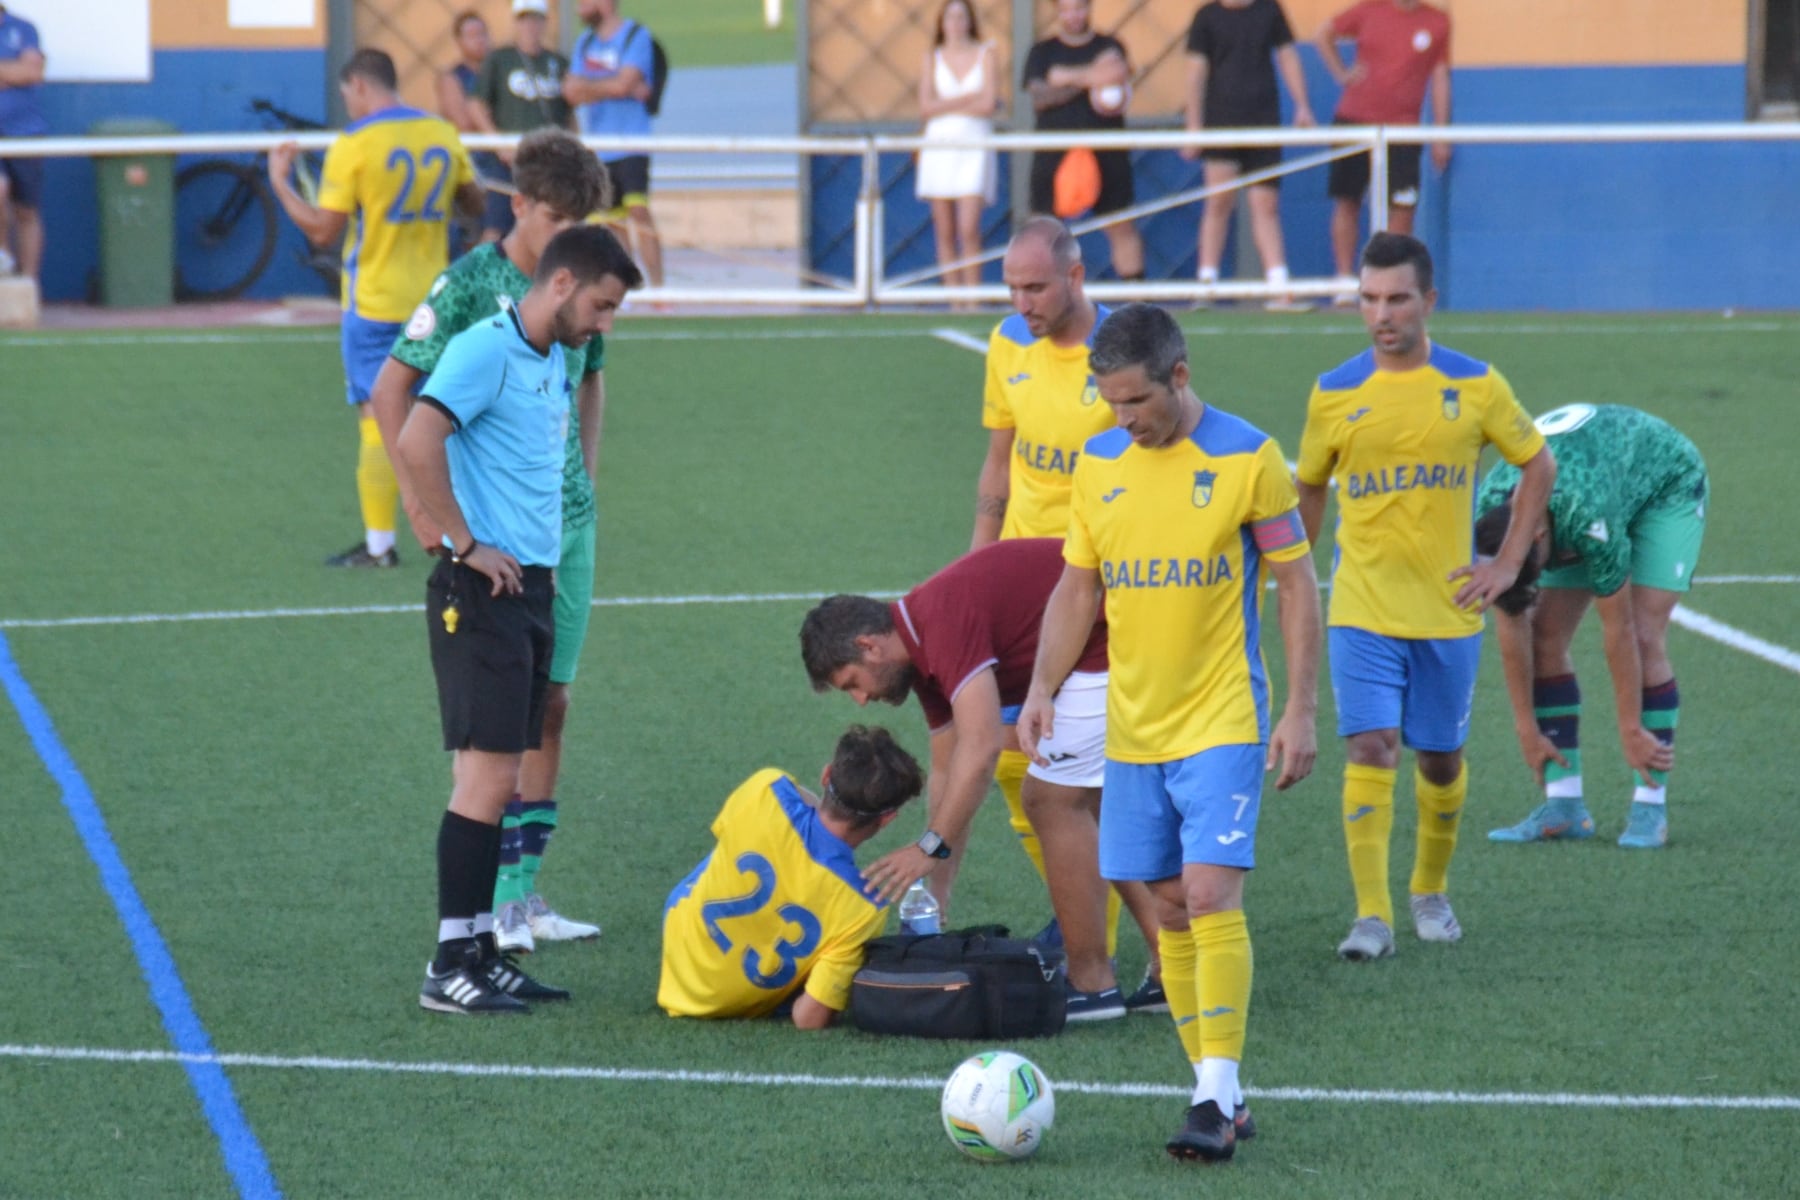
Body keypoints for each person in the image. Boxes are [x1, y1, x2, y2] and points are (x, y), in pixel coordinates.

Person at [1019, 302, 1321, 1162]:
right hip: (1133, 728)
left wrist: (1299, 708)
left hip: (1223, 715)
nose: (1124, 419)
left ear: (1179, 377)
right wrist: (1042, 687)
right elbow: (1079, 587)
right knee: (1172, 909)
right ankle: (1220, 1090)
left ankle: (1212, 1097)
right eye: (1110, 404)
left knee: (1213, 893)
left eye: (1135, 402)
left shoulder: (1248, 457)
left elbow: (1297, 585)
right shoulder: (1100, 462)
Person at [372, 130, 623, 954]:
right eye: (554, 215)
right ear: (519, 205)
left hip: (562, 534)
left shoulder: (583, 285)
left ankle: (519, 899)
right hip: (490, 541)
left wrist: (581, 478)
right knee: (491, 736)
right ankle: (472, 924)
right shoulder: (473, 288)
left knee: (552, 706)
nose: (565, 233)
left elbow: (590, 384)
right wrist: (426, 511)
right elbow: (394, 390)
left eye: (577, 219)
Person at [1295, 231, 1555, 963]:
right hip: (1362, 605)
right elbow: (1309, 486)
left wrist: (1506, 563)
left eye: (1398, 298)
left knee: (1440, 759)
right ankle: (1371, 915)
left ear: (1428, 301)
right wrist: (1287, 575)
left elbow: (1539, 464)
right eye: (1370, 299)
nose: (1383, 314)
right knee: (1372, 746)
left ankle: (1429, 890)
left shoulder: (1475, 385)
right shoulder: (1335, 391)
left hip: (1447, 609)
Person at [800, 539, 1156, 1021]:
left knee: (1050, 801)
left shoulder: (940, 617)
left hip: (1116, 635)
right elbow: (949, 771)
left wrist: (927, 848)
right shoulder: (921, 659)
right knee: (1088, 807)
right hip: (1097, 642)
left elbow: (983, 745)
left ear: (870, 646)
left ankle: (1092, 983)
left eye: (852, 683)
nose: (860, 700)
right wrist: (937, 893)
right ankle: (1173, 966)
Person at [972, 215, 1164, 1009]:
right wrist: (975, 567)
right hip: (1018, 591)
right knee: (1021, 764)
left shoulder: (1120, 358)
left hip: (1094, 592)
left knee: (1090, 784)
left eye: (1037, 286)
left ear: (1076, 276)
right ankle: (1076, 913)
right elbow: (1000, 464)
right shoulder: (1006, 346)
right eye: (1013, 286)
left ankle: (1139, 943)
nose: (1023, 301)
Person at [269, 49, 481, 569]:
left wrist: (280, 180)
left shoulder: (356, 144)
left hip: (375, 305)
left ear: (359, 87)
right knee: (443, 417)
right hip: (437, 300)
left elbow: (323, 229)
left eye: (346, 95)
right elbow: (474, 206)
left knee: (376, 422)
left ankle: (381, 545)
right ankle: (468, 528)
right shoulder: (441, 133)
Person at [1475, 404, 1702, 850]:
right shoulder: (1490, 514)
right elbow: (1512, 621)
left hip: (1663, 483)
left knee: (1643, 633)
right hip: (1584, 493)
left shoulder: (1586, 514)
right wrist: (1526, 728)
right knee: (1544, 635)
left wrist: (1630, 729)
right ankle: (1564, 806)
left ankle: (1649, 805)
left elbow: (1616, 632)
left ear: (1538, 539)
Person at [658, 725, 924, 1028]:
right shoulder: (866, 906)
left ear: (826, 776)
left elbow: (734, 827)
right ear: (887, 819)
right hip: (733, 1002)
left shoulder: (766, 789)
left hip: (679, 952)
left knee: (729, 849)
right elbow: (807, 1019)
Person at [1182, 0, 1314, 310]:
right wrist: (1193, 126)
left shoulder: (1269, 10)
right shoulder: (1206, 17)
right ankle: (1206, 285)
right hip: (1220, 124)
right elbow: (1195, 72)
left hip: (1263, 123)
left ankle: (1279, 287)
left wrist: (1303, 105)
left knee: (1265, 206)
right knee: (1218, 202)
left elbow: (1287, 56)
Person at [1313, 0, 1451, 296]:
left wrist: (1441, 133)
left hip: (1403, 130)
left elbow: (1440, 77)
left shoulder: (1438, 22)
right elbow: (1323, 34)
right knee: (1347, 200)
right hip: (1355, 121)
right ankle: (1343, 282)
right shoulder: (1369, 10)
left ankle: (1389, 281)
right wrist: (1342, 73)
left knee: (1402, 208)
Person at [1022, 0, 1144, 282]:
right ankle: (1038, 299)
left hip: (1106, 148)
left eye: (1079, 8)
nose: (1074, 15)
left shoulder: (1110, 45)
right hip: (1055, 150)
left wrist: (1066, 78)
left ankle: (1137, 305)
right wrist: (1092, 78)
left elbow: (1120, 78)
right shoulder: (1043, 52)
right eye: (1067, 9)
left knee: (1121, 224)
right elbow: (1040, 97)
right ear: (1058, 11)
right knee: (1043, 228)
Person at [565, 0, 665, 288]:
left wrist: (593, 87)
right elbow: (571, 92)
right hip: (599, 146)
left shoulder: (635, 36)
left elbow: (626, 82)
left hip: (631, 143)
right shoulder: (584, 42)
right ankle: (628, 285)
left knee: (638, 212)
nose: (579, 8)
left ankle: (659, 288)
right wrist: (615, 86)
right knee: (611, 221)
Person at [915, 0, 998, 307]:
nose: (956, 23)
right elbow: (926, 107)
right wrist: (966, 98)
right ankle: (953, 299)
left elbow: (988, 103)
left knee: (969, 226)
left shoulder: (986, 53)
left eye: (961, 16)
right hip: (940, 146)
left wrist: (946, 104)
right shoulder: (932, 58)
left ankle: (973, 297)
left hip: (973, 145)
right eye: (950, 17)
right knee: (945, 229)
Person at [469, 0, 573, 243]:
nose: (530, 26)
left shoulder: (557, 62)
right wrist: (498, 144)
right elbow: (476, 105)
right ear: (516, 23)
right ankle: (485, 279)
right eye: (524, 19)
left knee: (553, 226)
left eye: (535, 19)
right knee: (495, 227)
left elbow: (568, 114)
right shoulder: (500, 60)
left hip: (549, 162)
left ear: (544, 22)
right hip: (509, 162)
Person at [0, 3, 48, 281]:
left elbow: (32, 72)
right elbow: (21, 71)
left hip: (25, 133)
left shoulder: (23, 28)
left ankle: (29, 281)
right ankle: (4, 262)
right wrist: (12, 71)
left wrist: (22, 72)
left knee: (27, 211)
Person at [436, 10, 489, 135]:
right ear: (459, 41)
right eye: (472, 36)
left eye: (482, 34)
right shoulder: (452, 78)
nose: (480, 40)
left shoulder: (498, 72)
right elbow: (462, 123)